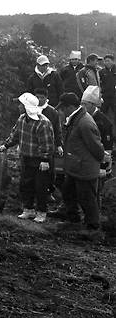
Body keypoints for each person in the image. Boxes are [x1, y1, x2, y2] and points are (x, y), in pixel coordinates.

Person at [49, 93, 104, 229]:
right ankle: (74, 220)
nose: (62, 111)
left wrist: (99, 164)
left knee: (87, 199)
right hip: (75, 166)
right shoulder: (75, 120)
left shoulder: (85, 123)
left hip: (84, 168)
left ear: (72, 107)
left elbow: (96, 148)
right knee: (68, 192)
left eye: (64, 108)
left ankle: (93, 227)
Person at [0, 93, 55, 223]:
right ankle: (28, 209)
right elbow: (15, 135)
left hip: (40, 160)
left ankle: (41, 211)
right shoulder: (21, 119)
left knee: (40, 187)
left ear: (27, 106)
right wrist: (6, 145)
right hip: (26, 157)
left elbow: (47, 143)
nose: (18, 106)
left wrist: (45, 159)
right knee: (26, 184)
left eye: (21, 104)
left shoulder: (43, 123)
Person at [99, 53, 116, 127]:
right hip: (105, 97)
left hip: (114, 97)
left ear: (113, 61)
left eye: (108, 61)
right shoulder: (101, 72)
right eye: (105, 61)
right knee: (102, 114)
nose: (106, 63)